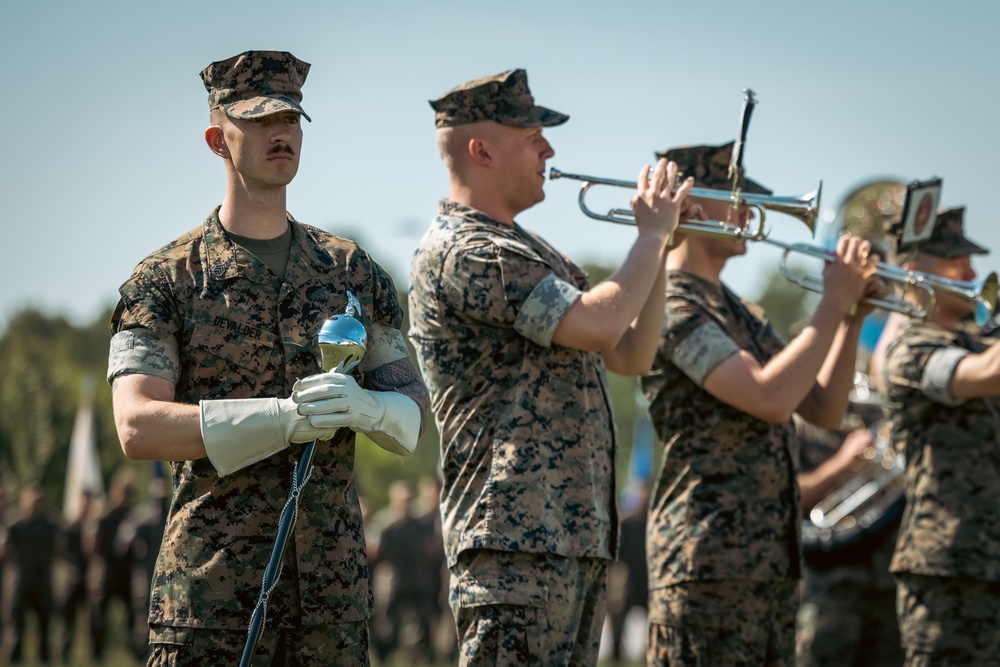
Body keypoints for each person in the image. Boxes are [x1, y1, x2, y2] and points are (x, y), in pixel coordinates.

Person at [107, 50, 428, 666]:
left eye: (291, 118)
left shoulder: (351, 272)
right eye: (257, 120)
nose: (280, 133)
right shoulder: (165, 280)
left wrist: (365, 407)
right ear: (216, 139)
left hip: (332, 608)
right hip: (212, 603)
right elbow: (137, 425)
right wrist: (282, 418)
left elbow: (411, 418)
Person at [408, 68, 692, 666]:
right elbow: (598, 324)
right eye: (532, 135)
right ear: (481, 149)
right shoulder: (468, 249)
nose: (550, 150)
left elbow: (630, 354)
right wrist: (649, 236)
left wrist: (660, 248)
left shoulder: (537, 252)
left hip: (567, 537)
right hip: (512, 542)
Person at [641, 141, 884, 666]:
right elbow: (771, 398)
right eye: (739, 199)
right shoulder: (674, 303)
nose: (753, 213)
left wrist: (851, 316)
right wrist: (834, 301)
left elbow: (820, 407)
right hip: (707, 561)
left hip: (768, 562)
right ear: (697, 206)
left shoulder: (738, 310)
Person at [879, 207, 1000, 664]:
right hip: (948, 566)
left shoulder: (975, 339)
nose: (971, 272)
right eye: (954, 261)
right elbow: (989, 374)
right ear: (911, 271)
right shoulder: (910, 349)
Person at [7, 484, 60, 665]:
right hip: (20, 582)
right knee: (15, 626)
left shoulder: (50, 526)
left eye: (39, 501)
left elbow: (59, 551)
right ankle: (14, 658)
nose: (36, 504)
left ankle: (44, 659)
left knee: (44, 624)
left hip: (42, 581)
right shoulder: (15, 527)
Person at [91, 469, 136, 661]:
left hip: (126, 572)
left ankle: (134, 652)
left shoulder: (134, 517)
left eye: (129, 492)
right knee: (99, 616)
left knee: (133, 615)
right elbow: (94, 547)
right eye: (124, 491)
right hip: (106, 571)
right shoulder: (104, 516)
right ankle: (97, 654)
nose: (126, 496)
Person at [61, 488, 96, 663]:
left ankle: (94, 656)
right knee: (68, 620)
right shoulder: (69, 528)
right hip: (72, 579)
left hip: (91, 579)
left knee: (93, 619)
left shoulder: (96, 526)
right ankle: (65, 655)